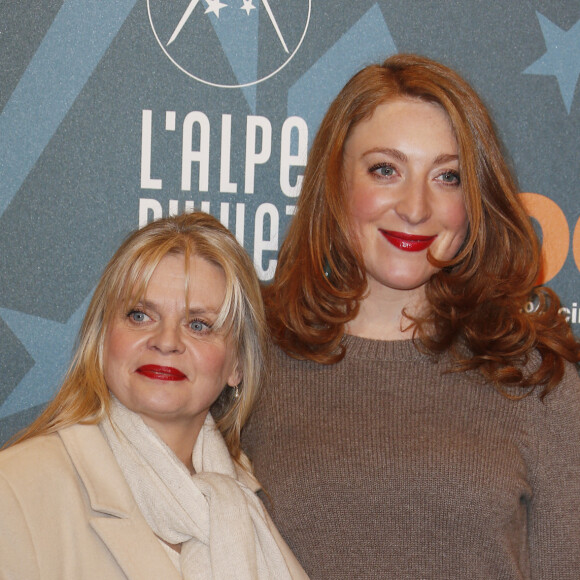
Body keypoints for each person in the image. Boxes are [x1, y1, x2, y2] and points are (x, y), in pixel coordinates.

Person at [242, 54, 580, 579]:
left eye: (447, 177)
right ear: (334, 181)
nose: (416, 207)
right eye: (385, 170)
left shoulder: (536, 377)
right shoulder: (246, 357)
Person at [0, 212, 307, 580]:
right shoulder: (15, 489)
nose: (166, 341)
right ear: (102, 339)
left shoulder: (246, 499)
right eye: (140, 315)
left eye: (198, 325)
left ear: (236, 366)